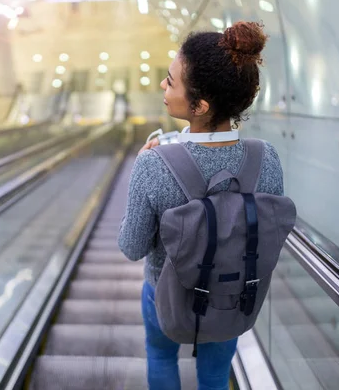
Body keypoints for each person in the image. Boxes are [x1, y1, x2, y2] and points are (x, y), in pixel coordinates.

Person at [118, 21, 284, 390]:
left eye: (171, 81)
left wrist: (140, 174)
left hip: (166, 295)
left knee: (160, 356)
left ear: (201, 105)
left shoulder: (154, 163)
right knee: (214, 374)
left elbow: (131, 248)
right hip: (233, 294)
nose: (163, 86)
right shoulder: (266, 158)